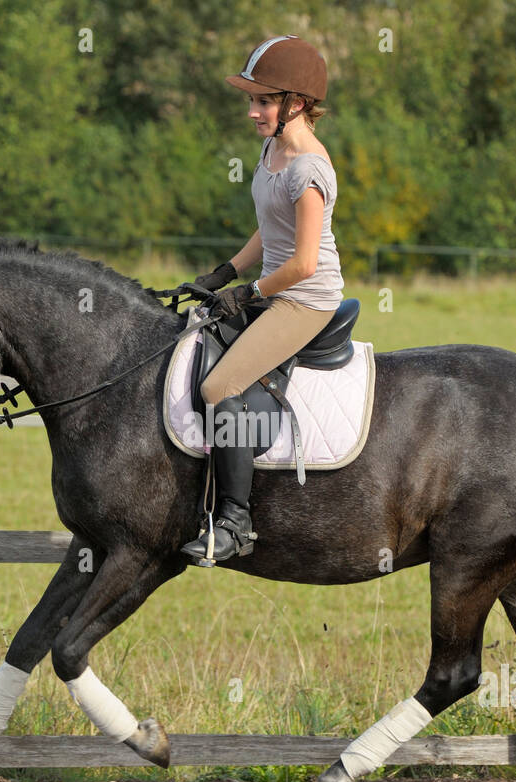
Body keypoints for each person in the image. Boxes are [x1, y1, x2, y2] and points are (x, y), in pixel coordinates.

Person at [180, 34, 345, 565]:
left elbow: (302, 264)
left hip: (304, 301)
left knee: (220, 384)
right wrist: (225, 271)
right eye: (252, 100)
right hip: (273, 289)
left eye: (263, 101)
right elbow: (269, 232)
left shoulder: (309, 170)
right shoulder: (273, 149)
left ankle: (234, 521)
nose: (252, 111)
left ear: (296, 104)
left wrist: (246, 293)